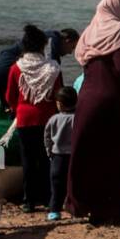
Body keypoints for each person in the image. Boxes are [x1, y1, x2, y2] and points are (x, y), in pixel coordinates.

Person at [67, 0, 120, 226]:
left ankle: (92, 210)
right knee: (114, 156)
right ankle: (117, 212)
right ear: (117, 9)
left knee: (90, 155)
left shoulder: (89, 32)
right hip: (112, 103)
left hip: (87, 100)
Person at [4, 25, 63, 212]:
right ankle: (47, 198)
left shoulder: (16, 68)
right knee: (47, 159)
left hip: (24, 119)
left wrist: (18, 108)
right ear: (42, 46)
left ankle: (29, 201)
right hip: (47, 119)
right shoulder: (53, 68)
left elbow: (9, 97)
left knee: (28, 160)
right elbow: (57, 95)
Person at [0, 27, 78, 115]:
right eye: (72, 47)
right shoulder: (52, 40)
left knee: (11, 106)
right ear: (67, 40)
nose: (70, 52)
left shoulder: (49, 38)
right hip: (5, 69)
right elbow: (52, 71)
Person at [44, 86, 76, 221]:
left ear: (59, 104)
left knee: (56, 185)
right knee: (74, 184)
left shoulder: (54, 119)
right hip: (74, 156)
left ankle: (55, 211)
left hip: (57, 156)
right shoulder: (77, 118)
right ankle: (75, 209)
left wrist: (49, 152)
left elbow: (47, 137)